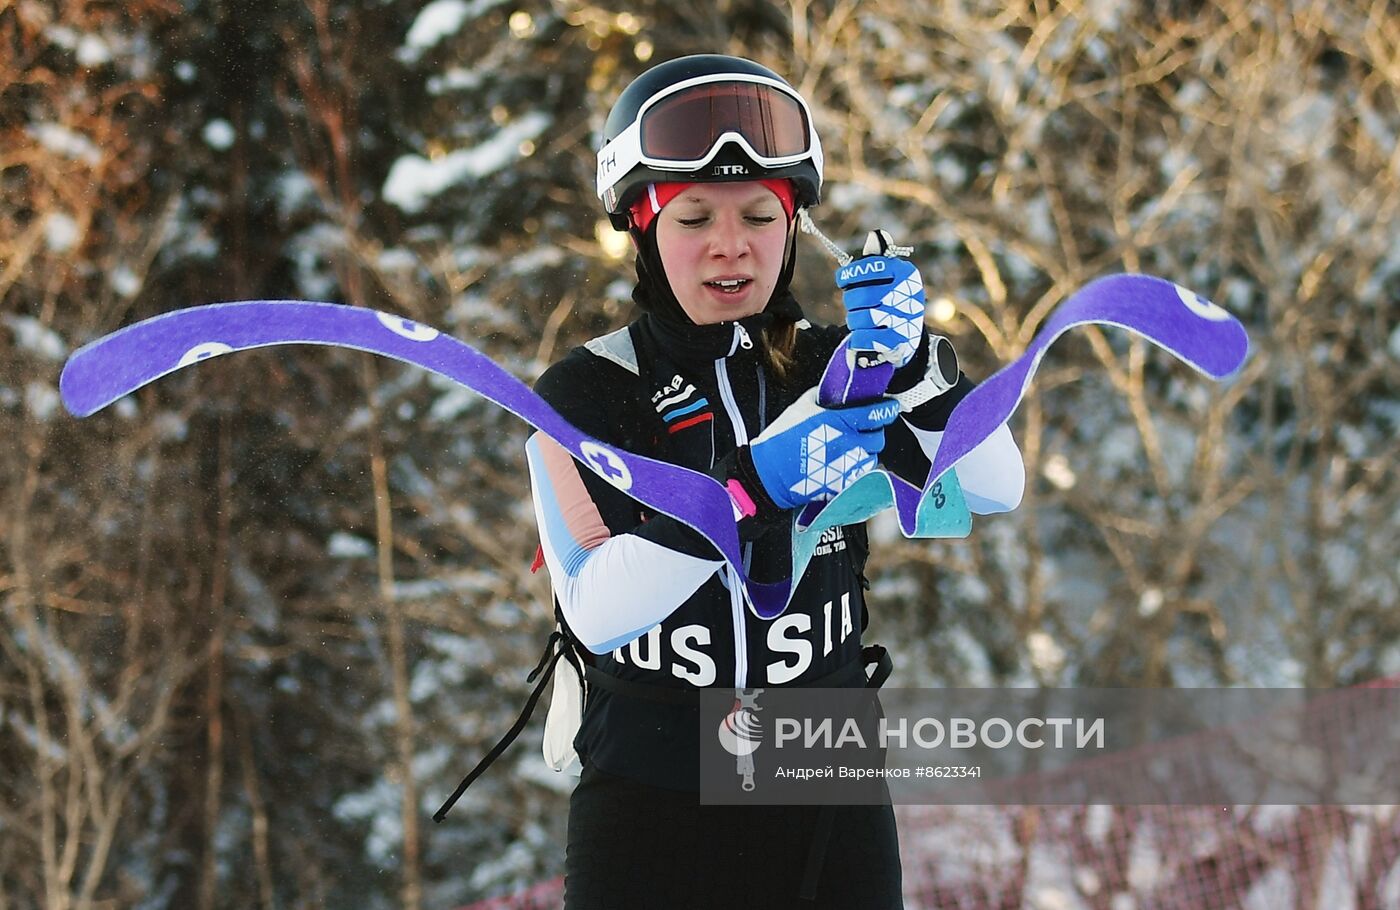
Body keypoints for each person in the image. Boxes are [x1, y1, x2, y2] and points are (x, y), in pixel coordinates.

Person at [525, 54, 1025, 909]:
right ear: (644, 228)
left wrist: (918, 371)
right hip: (651, 781)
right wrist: (746, 490)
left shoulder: (842, 365)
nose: (732, 244)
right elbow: (597, 607)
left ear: (793, 229)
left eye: (760, 214)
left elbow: (995, 484)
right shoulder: (585, 391)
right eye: (694, 219)